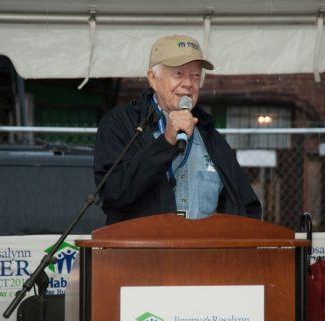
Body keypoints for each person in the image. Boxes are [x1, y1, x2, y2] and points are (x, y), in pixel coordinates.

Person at [94, 34, 262, 225]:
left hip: (204, 253)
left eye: (195, 75)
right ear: (153, 78)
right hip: (144, 254)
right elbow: (113, 194)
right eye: (178, 74)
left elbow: (247, 207)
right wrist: (166, 143)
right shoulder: (120, 124)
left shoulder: (211, 137)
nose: (189, 83)